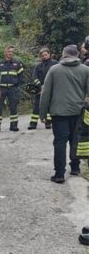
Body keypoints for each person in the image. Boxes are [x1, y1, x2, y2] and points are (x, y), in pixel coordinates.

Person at [39, 44, 89, 183]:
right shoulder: (85, 70)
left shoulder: (54, 70)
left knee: (60, 142)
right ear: (77, 55)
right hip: (78, 113)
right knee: (75, 141)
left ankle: (59, 174)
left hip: (59, 113)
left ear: (63, 54)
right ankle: (75, 168)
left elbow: (46, 93)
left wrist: (42, 113)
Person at [0, 45, 24, 132]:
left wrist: (17, 87)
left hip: (12, 89)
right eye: (9, 51)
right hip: (1, 89)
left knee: (13, 107)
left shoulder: (17, 64)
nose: (11, 53)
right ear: (5, 52)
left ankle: (13, 126)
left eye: (12, 52)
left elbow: (21, 78)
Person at [28, 48, 58, 130]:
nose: (44, 56)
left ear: (49, 54)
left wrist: (49, 86)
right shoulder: (38, 66)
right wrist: (39, 85)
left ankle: (48, 122)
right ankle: (33, 123)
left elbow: (58, 76)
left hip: (51, 88)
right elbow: (34, 77)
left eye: (46, 55)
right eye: (42, 55)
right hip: (40, 89)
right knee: (36, 106)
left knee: (49, 105)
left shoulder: (55, 64)